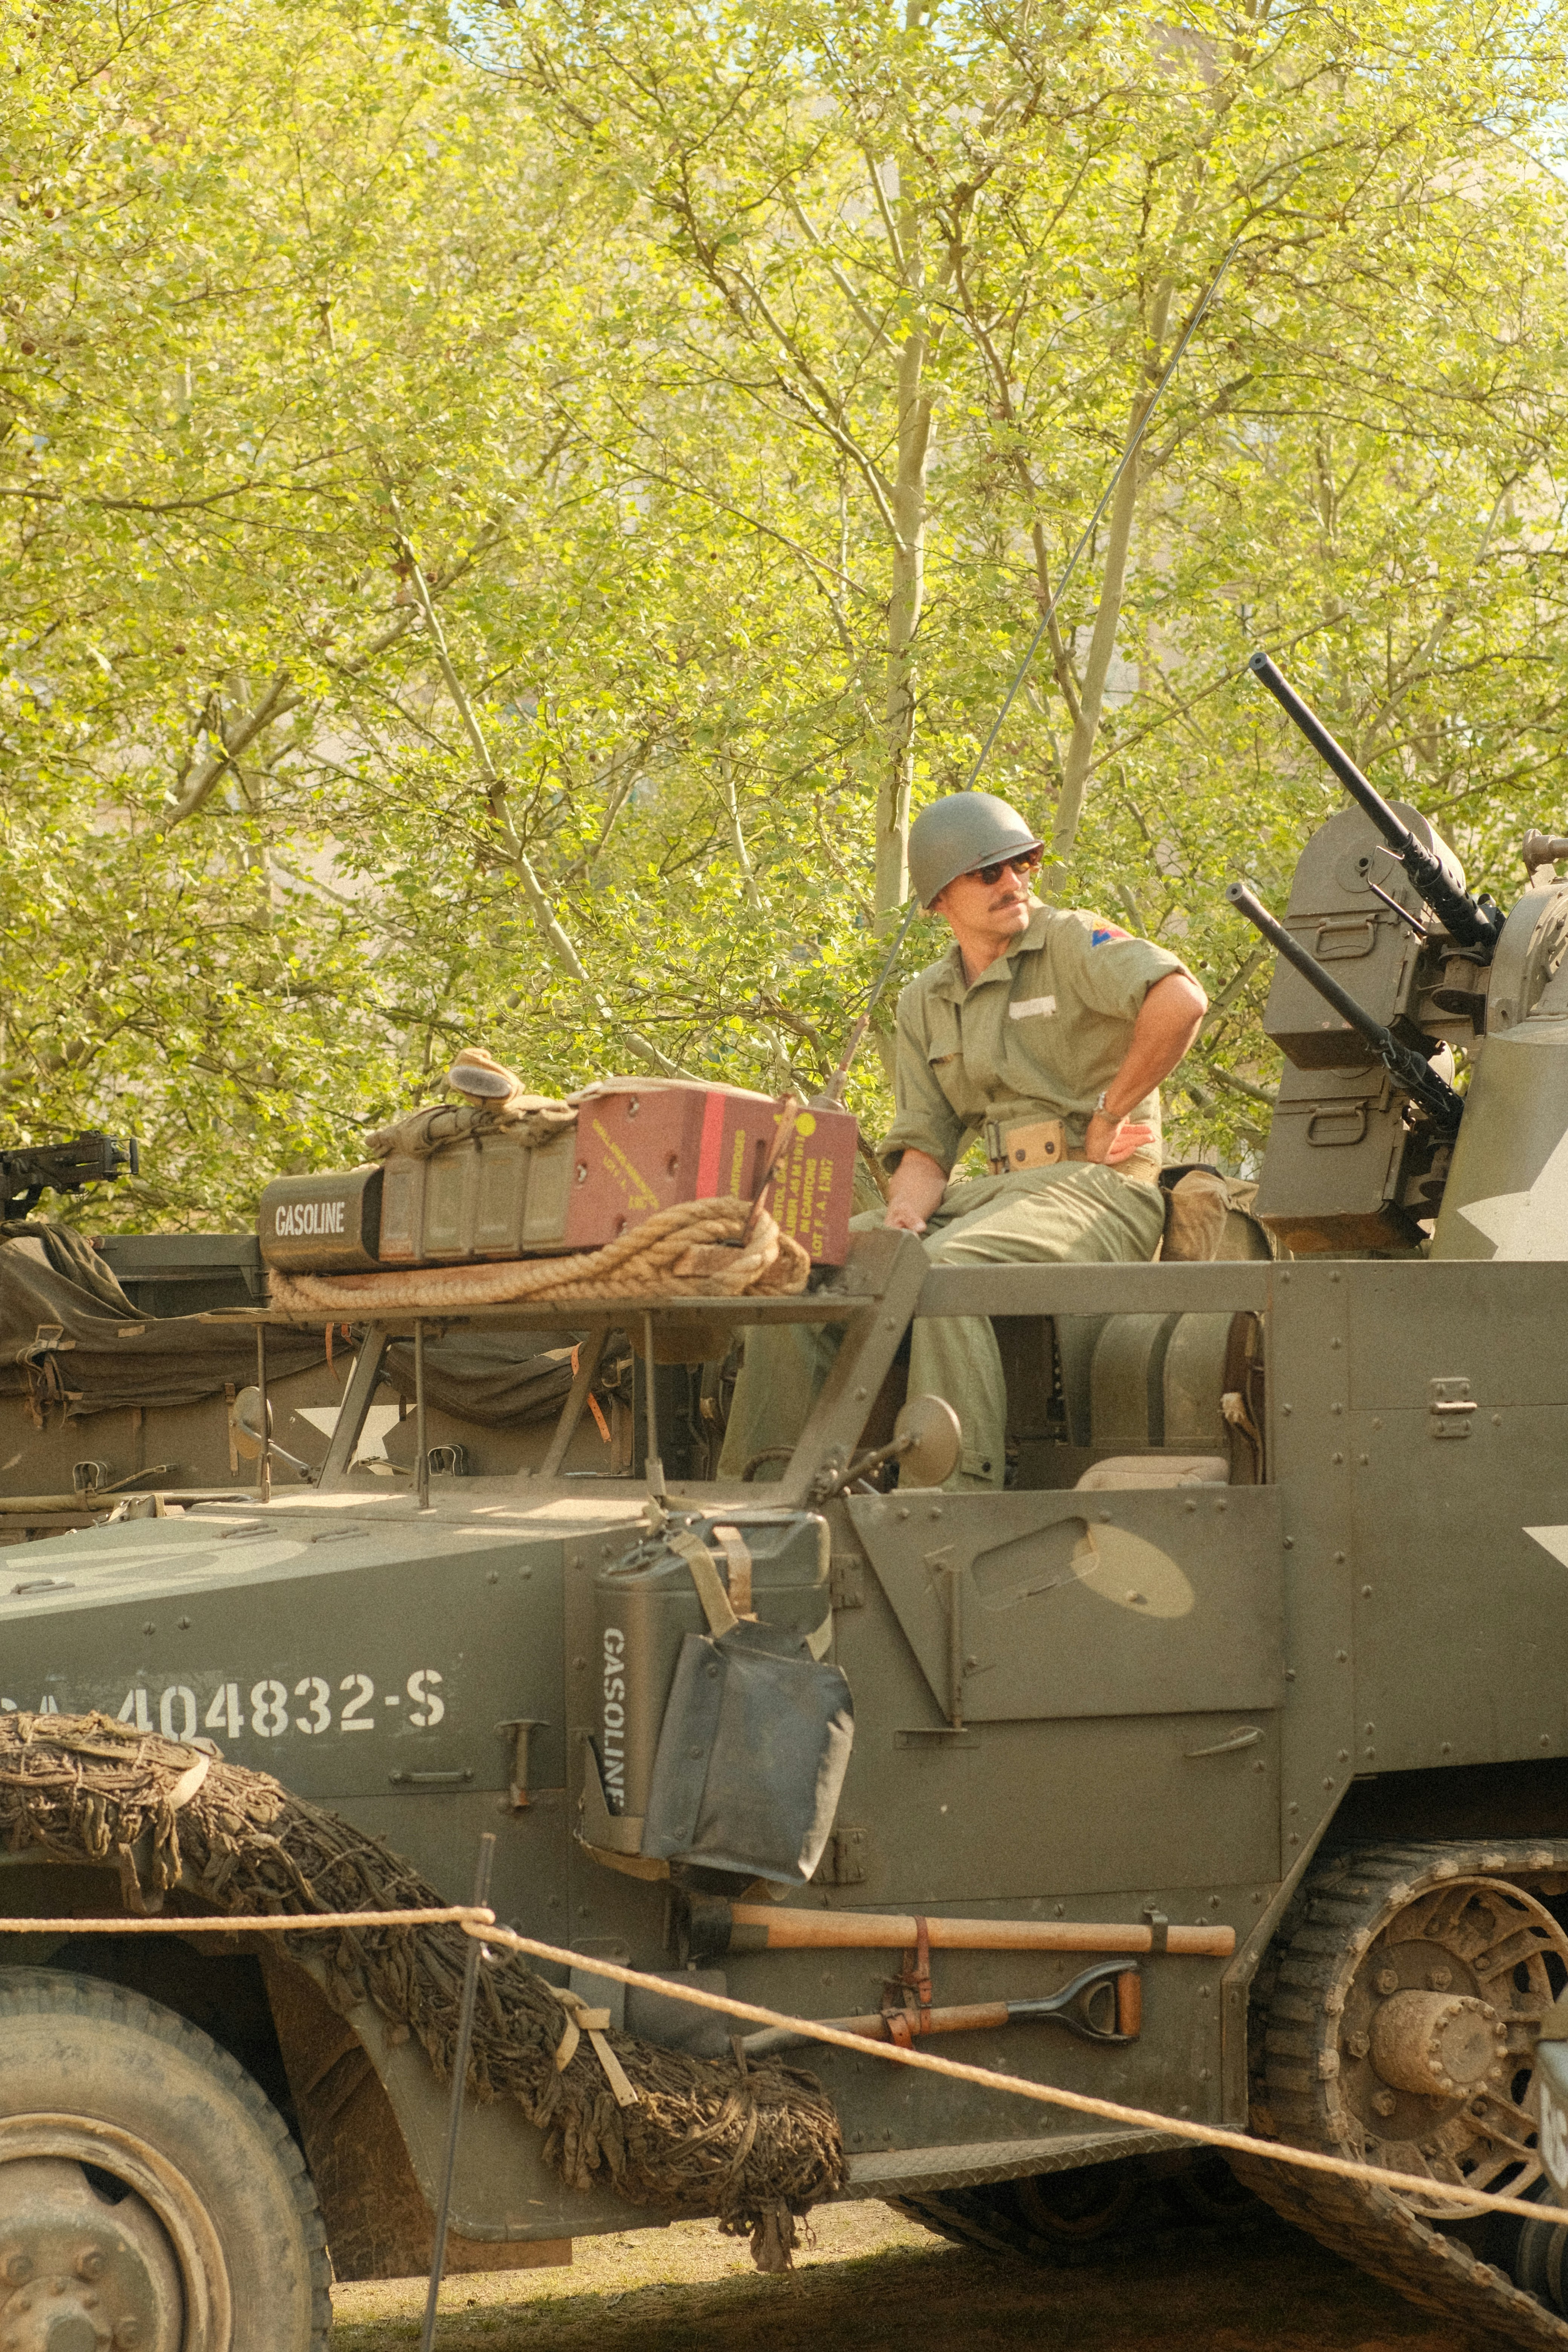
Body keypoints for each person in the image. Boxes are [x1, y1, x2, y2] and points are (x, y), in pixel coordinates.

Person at [719, 790, 1208, 1489]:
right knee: (799, 1270)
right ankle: (766, 1493)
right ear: (939, 899)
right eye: (989, 873)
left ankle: (953, 1495)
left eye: (1022, 864)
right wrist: (902, 1216)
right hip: (996, 1199)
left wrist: (1111, 1110)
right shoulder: (925, 1000)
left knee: (946, 1269)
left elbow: (1182, 1000)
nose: (1014, 882)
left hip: (1100, 1191)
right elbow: (926, 1151)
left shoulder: (1073, 940)